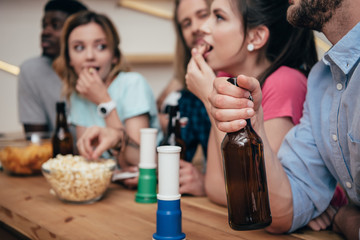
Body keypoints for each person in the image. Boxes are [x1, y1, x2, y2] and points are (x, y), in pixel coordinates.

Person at [208, 0, 360, 238]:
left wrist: (349, 221)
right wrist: (254, 128)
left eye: (218, 16)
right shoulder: (322, 81)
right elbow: (279, 212)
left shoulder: (289, 81)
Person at [53, 11, 161, 170]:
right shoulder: (78, 96)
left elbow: (137, 160)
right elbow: (90, 158)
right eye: (79, 47)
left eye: (101, 46)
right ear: (69, 59)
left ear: (114, 55)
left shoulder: (133, 84)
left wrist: (104, 101)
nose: (89, 56)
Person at [157, 0, 213, 196]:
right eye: (186, 23)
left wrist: (207, 184)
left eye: (203, 14)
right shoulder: (188, 97)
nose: (195, 28)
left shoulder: (254, 84)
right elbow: (179, 157)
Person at [17, 0, 87, 138]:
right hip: (57, 156)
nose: (45, 32)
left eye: (55, 26)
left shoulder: (94, 67)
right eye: (44, 26)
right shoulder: (31, 70)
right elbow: (36, 140)